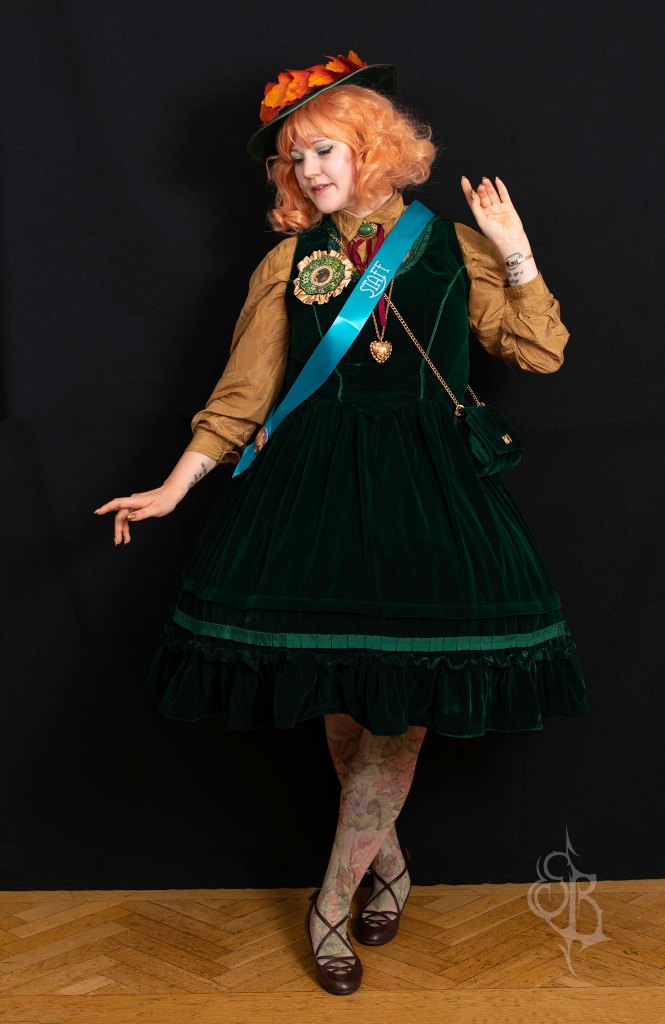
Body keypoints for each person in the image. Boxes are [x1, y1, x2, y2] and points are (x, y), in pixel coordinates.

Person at [94, 50, 589, 996]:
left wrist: (515, 249)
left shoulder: (453, 246)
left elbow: (540, 352)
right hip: (312, 493)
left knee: (397, 713)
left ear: (374, 147)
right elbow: (241, 396)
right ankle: (386, 867)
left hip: (428, 497)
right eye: (294, 159)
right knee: (342, 700)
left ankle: (329, 904)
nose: (308, 169)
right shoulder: (287, 262)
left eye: (324, 149)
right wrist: (171, 488)